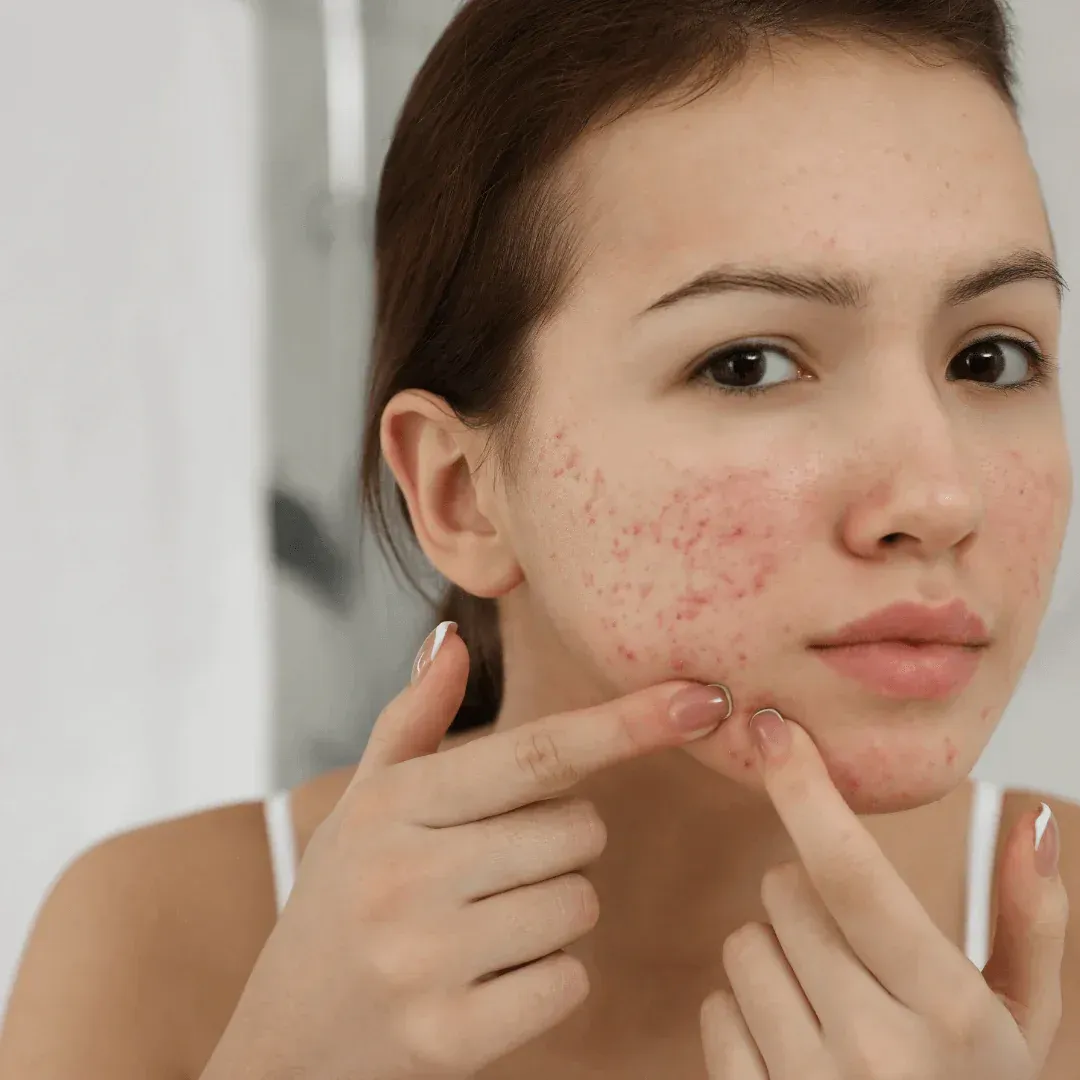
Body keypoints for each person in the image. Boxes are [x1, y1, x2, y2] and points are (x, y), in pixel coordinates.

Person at [1, 0, 1077, 1076]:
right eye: (748, 362)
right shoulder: (164, 943)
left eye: (992, 358)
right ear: (462, 491)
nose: (938, 499)